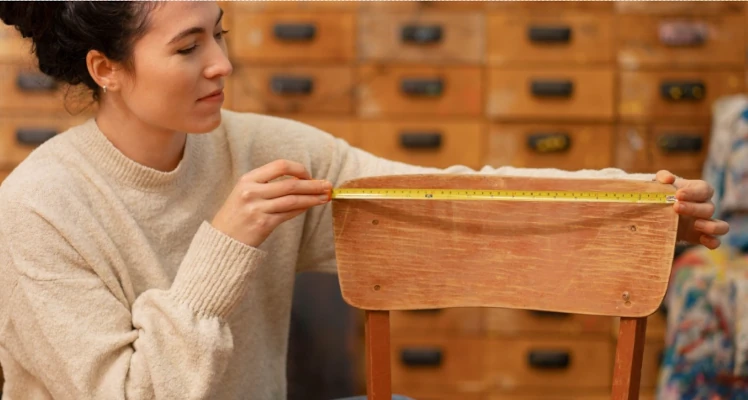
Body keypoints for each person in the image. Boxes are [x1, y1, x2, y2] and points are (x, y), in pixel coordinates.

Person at [0, 2, 730, 400]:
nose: (223, 64)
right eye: (189, 47)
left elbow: (436, 200)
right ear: (107, 69)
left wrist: (628, 208)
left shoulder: (258, 149)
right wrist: (224, 244)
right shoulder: (39, 210)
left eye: (219, 33)